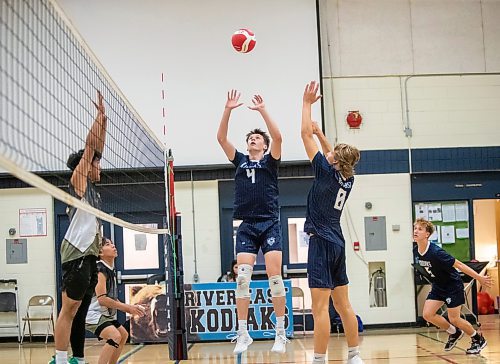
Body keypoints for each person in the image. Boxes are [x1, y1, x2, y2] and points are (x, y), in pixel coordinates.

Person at [217, 90, 287, 354]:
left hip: (269, 222)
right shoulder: (240, 161)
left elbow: (278, 136)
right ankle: (243, 333)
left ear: (264, 146)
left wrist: (263, 111)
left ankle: (280, 332)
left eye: (257, 138)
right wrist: (228, 109)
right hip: (246, 224)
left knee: (275, 278)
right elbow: (221, 138)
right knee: (242, 279)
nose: (253, 139)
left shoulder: (271, 162)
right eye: (250, 138)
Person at [301, 81, 363, 364]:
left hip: (321, 242)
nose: (327, 154)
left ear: (334, 162)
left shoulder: (325, 173)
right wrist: (322, 133)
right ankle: (354, 355)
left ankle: (318, 359)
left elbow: (303, 134)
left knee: (320, 308)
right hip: (338, 243)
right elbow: (333, 153)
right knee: (344, 304)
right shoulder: (348, 179)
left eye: (331, 155)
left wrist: (306, 104)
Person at [51, 91, 107, 364]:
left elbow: (96, 150)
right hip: (75, 255)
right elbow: (90, 150)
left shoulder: (93, 190)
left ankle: (79, 359)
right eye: (97, 163)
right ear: (85, 167)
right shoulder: (79, 182)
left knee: (81, 313)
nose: (100, 166)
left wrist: (104, 120)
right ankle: (61, 359)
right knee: (69, 309)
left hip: (89, 258)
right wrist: (97, 119)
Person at [413, 217, 492, 354]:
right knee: (427, 314)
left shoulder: (436, 252)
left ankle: (478, 339)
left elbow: (459, 264)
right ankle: (454, 332)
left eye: (419, 229)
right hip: (438, 286)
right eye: (415, 228)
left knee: (454, 318)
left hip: (452, 286)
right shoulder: (416, 251)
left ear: (427, 234)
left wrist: (478, 277)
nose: (415, 231)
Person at [86, 238, 145, 364]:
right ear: (100, 252)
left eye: (112, 243)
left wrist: (130, 306)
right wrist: (127, 308)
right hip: (91, 314)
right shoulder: (99, 270)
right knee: (115, 336)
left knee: (123, 335)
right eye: (108, 244)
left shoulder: (109, 269)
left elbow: (111, 298)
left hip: (103, 313)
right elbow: (102, 299)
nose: (113, 246)